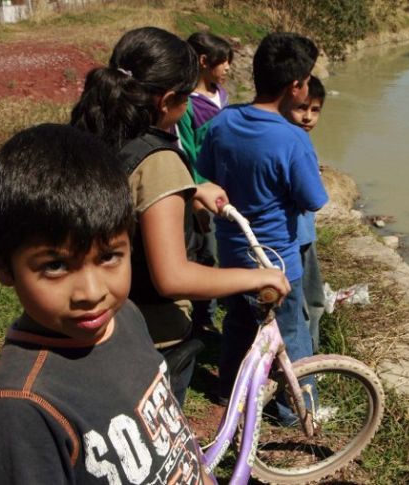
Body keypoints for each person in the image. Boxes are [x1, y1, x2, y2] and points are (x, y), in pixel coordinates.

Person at [0, 123, 210, 484]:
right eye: (55, 265)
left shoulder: (126, 316)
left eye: (108, 256)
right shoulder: (22, 406)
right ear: (4, 267)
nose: (91, 292)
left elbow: (175, 439)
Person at [70, 26, 290, 406]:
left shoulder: (92, 133)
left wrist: (189, 189)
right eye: (186, 97)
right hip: (151, 336)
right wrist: (258, 277)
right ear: (168, 100)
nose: (188, 107)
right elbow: (173, 277)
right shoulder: (159, 163)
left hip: (93, 319)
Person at [196, 32, 328, 422]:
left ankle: (229, 393)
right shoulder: (291, 138)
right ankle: (298, 412)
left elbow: (207, 176)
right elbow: (313, 199)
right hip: (275, 262)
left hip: (232, 252)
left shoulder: (223, 123)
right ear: (297, 86)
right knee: (292, 336)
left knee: (238, 324)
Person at [175, 32, 235, 337]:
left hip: (224, 187)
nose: (227, 68)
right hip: (202, 192)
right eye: (222, 62)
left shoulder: (220, 94)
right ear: (203, 62)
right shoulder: (186, 106)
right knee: (204, 253)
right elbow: (185, 153)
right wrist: (196, 198)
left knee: (224, 247)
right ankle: (203, 318)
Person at [285, 75, 327, 352]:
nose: (308, 117)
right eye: (302, 108)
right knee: (309, 299)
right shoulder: (295, 142)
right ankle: (310, 355)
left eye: (315, 110)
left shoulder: (289, 139)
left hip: (299, 233)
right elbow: (314, 199)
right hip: (297, 236)